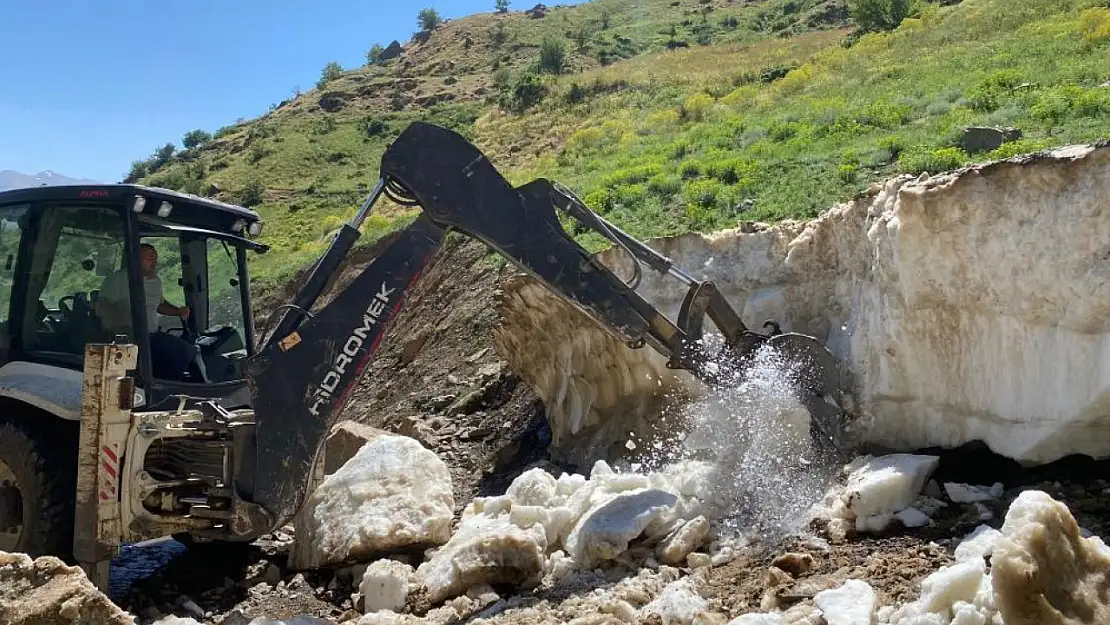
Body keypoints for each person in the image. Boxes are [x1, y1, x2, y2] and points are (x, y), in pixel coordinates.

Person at [98, 243, 196, 380]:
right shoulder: (119, 278)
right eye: (150, 257)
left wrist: (177, 311)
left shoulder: (156, 282)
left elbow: (159, 305)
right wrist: (123, 318)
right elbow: (102, 305)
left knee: (188, 351)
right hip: (127, 337)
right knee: (177, 353)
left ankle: (166, 384)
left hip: (151, 336)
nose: (155, 262)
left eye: (156, 258)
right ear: (137, 258)